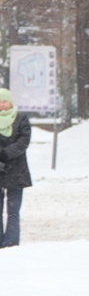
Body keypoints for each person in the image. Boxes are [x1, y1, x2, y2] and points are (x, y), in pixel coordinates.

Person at [0, 89, 31, 248]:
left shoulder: (21, 118)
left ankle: (11, 242)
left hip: (17, 169)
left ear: (10, 102)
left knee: (13, 210)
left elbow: (23, 141)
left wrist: (5, 154)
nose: (2, 105)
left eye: (4, 101)